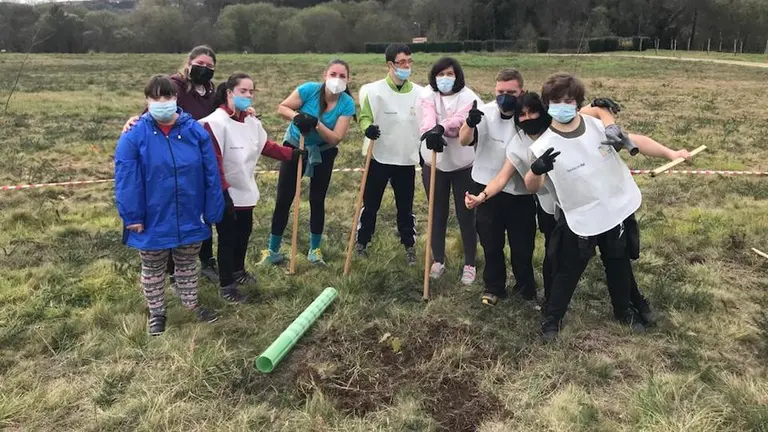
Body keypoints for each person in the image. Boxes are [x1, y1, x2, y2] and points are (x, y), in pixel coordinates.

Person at [466, 92, 688, 319]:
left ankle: (632, 302)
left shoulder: (560, 126)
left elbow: (592, 113)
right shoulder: (519, 144)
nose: (528, 117)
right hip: (554, 209)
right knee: (558, 258)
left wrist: (601, 109)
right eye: (522, 114)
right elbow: (504, 178)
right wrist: (482, 196)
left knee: (616, 254)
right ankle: (552, 309)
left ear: (543, 111)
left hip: (591, 200)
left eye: (533, 112)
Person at [521, 73, 690, 341]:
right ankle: (552, 318)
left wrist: (672, 153)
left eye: (568, 101)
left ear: (578, 103)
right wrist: (536, 170)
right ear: (547, 104)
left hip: (614, 208)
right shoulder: (543, 145)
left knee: (618, 261)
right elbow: (532, 186)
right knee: (568, 269)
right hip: (580, 216)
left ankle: (624, 311)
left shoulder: (598, 126)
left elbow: (637, 141)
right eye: (556, 101)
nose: (562, 106)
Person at [114, 74, 223, 336]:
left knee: (187, 263)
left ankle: (191, 305)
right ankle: (157, 313)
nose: (162, 101)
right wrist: (132, 216)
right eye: (155, 97)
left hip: (190, 211)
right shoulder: (134, 135)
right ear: (147, 100)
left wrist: (212, 209)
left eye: (167, 96)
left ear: (176, 97)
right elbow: (126, 177)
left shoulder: (195, 132)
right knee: (153, 267)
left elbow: (211, 171)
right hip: (152, 215)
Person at [199, 72, 306, 303]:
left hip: (245, 190)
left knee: (243, 233)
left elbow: (263, 145)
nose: (248, 95)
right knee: (227, 238)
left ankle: (238, 270)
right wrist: (223, 192)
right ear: (230, 93)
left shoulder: (250, 121)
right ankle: (226, 284)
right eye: (243, 91)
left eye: (251, 91)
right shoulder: (215, 123)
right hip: (224, 192)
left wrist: (291, 154)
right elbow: (213, 161)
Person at [122, 45, 224, 285]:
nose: (204, 68)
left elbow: (226, 107)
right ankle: (170, 270)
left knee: (197, 211)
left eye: (210, 66)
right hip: (169, 155)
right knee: (170, 213)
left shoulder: (210, 92)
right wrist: (133, 120)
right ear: (189, 63)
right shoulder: (174, 87)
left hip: (198, 157)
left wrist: (246, 109)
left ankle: (204, 260)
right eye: (200, 63)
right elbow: (153, 111)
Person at [258, 59, 357, 266]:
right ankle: (273, 250)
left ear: (348, 79)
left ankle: (315, 250)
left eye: (342, 76)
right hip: (296, 146)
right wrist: (298, 117)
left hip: (323, 151)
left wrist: (316, 124)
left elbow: (336, 138)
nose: (337, 79)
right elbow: (282, 108)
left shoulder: (347, 104)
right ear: (325, 75)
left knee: (317, 199)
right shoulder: (309, 90)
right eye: (333, 74)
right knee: (284, 198)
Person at [457, 68, 537, 304]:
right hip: (485, 185)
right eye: (500, 92)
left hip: (520, 190)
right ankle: (494, 286)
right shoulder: (484, 112)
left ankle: (525, 288)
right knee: (490, 242)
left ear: (521, 91)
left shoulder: (527, 116)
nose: (505, 97)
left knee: (522, 244)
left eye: (511, 93)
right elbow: (464, 139)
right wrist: (469, 123)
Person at [353, 44, 423, 265]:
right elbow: (365, 116)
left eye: (409, 61)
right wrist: (367, 128)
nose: (407, 66)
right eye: (402, 62)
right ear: (390, 64)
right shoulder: (373, 91)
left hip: (405, 158)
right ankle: (362, 242)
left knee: (405, 206)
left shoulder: (420, 93)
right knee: (371, 203)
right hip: (379, 157)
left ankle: (409, 244)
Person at [416, 57, 483, 284]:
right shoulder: (427, 95)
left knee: (466, 214)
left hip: (463, 166)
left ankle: (470, 263)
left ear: (457, 76)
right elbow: (426, 118)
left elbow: (461, 120)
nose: (445, 78)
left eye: (450, 74)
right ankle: (438, 259)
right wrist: (430, 132)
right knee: (437, 212)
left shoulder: (469, 97)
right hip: (434, 165)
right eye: (441, 74)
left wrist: (441, 127)